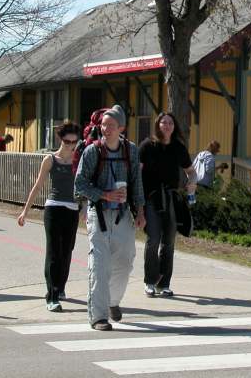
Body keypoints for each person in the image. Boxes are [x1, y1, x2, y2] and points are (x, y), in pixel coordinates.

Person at [75, 105, 145, 331]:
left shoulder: (130, 150)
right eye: (103, 125)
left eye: (111, 125)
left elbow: (137, 181)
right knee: (100, 265)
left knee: (125, 262)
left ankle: (113, 302)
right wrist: (104, 194)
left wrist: (141, 211)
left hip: (123, 215)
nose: (105, 129)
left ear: (121, 127)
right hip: (99, 215)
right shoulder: (92, 151)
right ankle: (98, 316)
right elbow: (80, 184)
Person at [17, 121, 82, 313]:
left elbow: (84, 186)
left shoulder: (79, 160)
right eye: (67, 141)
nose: (71, 145)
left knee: (67, 250)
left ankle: (60, 287)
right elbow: (37, 186)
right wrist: (24, 212)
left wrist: (85, 208)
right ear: (60, 139)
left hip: (72, 209)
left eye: (74, 142)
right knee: (54, 251)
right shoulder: (50, 160)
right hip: (53, 208)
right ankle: (52, 295)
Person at [139, 112, 197, 298]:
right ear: (158, 124)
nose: (167, 125)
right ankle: (150, 281)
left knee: (169, 241)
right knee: (153, 239)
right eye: (163, 122)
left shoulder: (178, 147)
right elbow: (136, 172)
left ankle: (163, 284)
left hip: (171, 197)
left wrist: (192, 183)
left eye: (170, 122)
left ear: (174, 126)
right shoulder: (147, 146)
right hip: (151, 198)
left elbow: (191, 171)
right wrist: (137, 200)